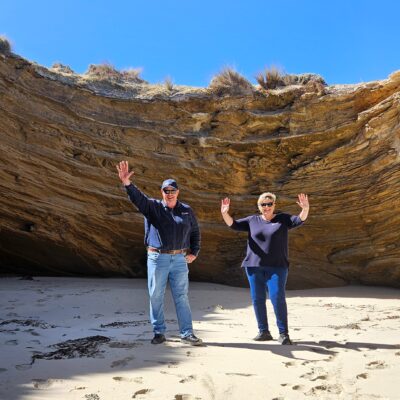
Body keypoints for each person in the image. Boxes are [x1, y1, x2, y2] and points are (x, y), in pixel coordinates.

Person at [116, 160, 202, 346]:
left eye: (173, 191)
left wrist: (194, 251)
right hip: (157, 258)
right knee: (156, 295)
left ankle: (187, 334)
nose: (169, 194)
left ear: (178, 192)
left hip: (179, 258)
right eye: (166, 191)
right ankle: (159, 332)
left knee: (182, 296)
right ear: (162, 192)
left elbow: (195, 232)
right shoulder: (152, 207)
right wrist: (127, 183)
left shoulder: (186, 211)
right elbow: (138, 198)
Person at [220, 192, 309, 345]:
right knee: (258, 299)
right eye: (263, 204)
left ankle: (284, 334)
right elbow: (233, 224)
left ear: (274, 205)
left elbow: (299, 219)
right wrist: (224, 213)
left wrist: (305, 208)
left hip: (277, 267)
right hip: (254, 267)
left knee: (277, 298)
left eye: (269, 204)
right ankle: (263, 331)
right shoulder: (252, 220)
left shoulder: (283, 219)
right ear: (259, 206)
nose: (266, 207)